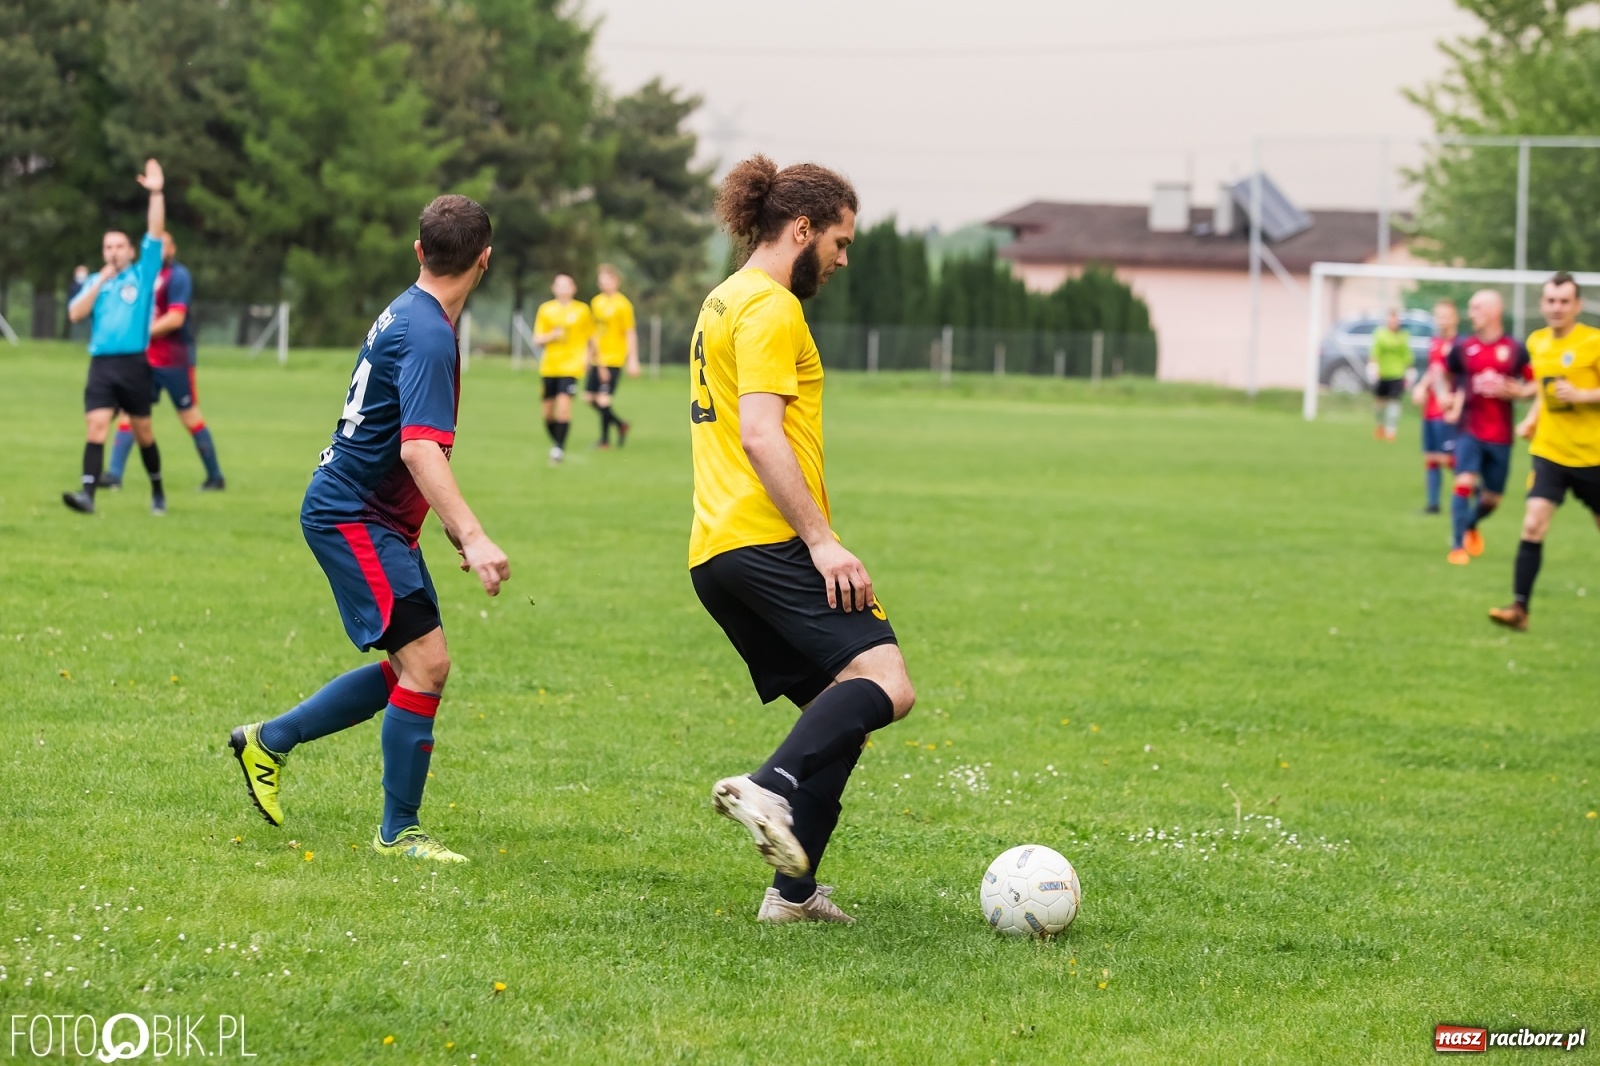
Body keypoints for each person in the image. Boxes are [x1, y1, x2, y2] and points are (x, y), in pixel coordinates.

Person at [228, 195, 510, 864]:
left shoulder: (410, 312)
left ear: (419, 251)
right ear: (485, 259)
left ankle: (268, 741)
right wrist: (472, 534)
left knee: (411, 666)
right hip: (353, 514)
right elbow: (418, 448)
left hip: (370, 514)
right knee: (427, 664)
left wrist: (446, 521)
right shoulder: (429, 332)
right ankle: (399, 833)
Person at [689, 155, 916, 925]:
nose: (843, 259)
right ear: (803, 228)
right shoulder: (772, 305)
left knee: (838, 711)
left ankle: (791, 897)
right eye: (840, 242)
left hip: (718, 550)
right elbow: (760, 434)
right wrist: (821, 540)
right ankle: (768, 786)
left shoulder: (723, 299)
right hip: (769, 538)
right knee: (887, 683)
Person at [1488, 272, 1600, 630]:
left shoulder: (1593, 342)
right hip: (1550, 451)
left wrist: (1583, 395)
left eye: (1564, 301)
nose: (1557, 307)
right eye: (1551, 301)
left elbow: (1577, 392)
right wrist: (1529, 411)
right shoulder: (1537, 342)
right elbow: (1544, 387)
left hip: (1593, 456)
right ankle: (1519, 609)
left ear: (1577, 305)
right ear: (1542, 304)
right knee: (1533, 522)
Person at [62, 158, 167, 516]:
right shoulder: (97, 281)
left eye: (119, 246)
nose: (113, 252)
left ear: (130, 251)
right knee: (96, 426)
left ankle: (157, 490)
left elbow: (156, 232)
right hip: (102, 365)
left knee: (143, 433)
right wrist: (100, 281)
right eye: (108, 247)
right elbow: (75, 313)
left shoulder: (143, 274)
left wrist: (156, 193)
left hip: (134, 365)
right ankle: (88, 495)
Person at [102, 234, 226, 491]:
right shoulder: (140, 275)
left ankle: (215, 477)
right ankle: (114, 476)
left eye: (164, 245)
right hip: (144, 359)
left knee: (189, 416)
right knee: (130, 411)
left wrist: (140, 332)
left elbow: (175, 318)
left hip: (174, 361)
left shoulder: (178, 276)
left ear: (172, 249)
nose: (159, 251)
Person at [1444, 289, 1533, 565]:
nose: (1471, 314)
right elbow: (1445, 373)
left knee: (1492, 499)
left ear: (1495, 311)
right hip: (1469, 428)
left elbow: (1534, 383)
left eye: (1477, 308)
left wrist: (1520, 392)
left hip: (1501, 435)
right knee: (1464, 482)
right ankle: (1457, 546)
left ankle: (1470, 524)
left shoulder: (1515, 349)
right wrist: (1447, 396)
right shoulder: (1463, 347)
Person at [532, 274, 595, 464]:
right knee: (548, 414)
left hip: (571, 367)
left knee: (563, 410)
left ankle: (558, 449)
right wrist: (552, 335)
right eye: (559, 285)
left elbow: (591, 338)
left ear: (573, 288)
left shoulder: (582, 310)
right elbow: (537, 339)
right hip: (550, 367)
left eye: (566, 285)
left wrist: (588, 358)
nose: (563, 289)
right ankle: (557, 442)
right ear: (554, 288)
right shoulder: (546, 309)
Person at [1411, 299, 1459, 513]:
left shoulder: (1460, 345)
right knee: (1430, 456)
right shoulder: (1435, 342)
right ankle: (1433, 504)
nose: (1441, 321)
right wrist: (1421, 387)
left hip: (1447, 410)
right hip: (1430, 409)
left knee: (1448, 458)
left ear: (1455, 318)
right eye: (1438, 316)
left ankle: (1473, 489)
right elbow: (1434, 370)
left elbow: (1460, 376)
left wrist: (1453, 397)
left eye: (1445, 316)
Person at [586, 264, 639, 448]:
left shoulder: (623, 305)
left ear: (616, 281)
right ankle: (620, 424)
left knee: (603, 400)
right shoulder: (596, 302)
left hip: (614, 359)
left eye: (607, 280)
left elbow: (630, 332)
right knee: (590, 398)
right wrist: (588, 355)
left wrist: (633, 360)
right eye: (601, 281)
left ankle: (604, 441)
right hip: (597, 359)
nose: (603, 284)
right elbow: (593, 332)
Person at [1368, 309, 1412, 442]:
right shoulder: (1380, 334)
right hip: (1382, 373)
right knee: (1379, 403)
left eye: (1396, 320)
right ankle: (1380, 425)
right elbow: (1374, 352)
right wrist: (1373, 368)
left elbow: (1407, 355)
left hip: (1397, 373)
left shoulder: (1403, 336)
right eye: (1391, 320)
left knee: (1394, 401)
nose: (1394, 322)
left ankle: (1391, 430)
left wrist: (1409, 373)